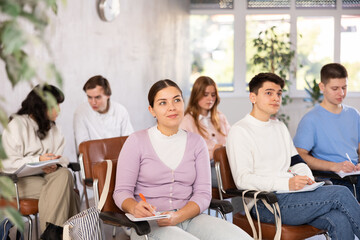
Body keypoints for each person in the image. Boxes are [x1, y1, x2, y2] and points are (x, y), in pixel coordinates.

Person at [226, 72, 360, 239]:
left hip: (292, 196)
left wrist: (305, 177)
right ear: (253, 97)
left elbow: (296, 161)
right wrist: (287, 183)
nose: (276, 98)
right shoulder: (240, 131)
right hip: (266, 203)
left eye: (279, 93)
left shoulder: (279, 127)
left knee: (339, 219)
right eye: (269, 93)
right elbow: (242, 179)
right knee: (340, 193)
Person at [113, 79, 251, 240]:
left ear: (183, 103)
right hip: (148, 224)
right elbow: (121, 192)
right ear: (152, 110)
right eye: (163, 103)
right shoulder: (136, 141)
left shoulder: (196, 142)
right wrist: (134, 207)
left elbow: (202, 194)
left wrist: (179, 216)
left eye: (177, 100)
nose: (172, 107)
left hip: (190, 218)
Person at [1, 84, 80, 233]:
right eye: (54, 105)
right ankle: (67, 235)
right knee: (67, 190)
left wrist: (53, 165)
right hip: (15, 182)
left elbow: (62, 158)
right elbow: (7, 164)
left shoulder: (54, 128)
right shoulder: (17, 125)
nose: (59, 110)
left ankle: (53, 235)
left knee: (63, 174)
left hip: (44, 178)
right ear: (40, 106)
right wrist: (38, 160)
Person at [293, 63, 360, 201]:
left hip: (356, 175)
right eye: (335, 88)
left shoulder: (354, 114)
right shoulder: (311, 119)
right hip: (333, 180)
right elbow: (299, 156)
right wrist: (335, 166)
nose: (341, 93)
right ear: (322, 87)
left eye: (344, 87)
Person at [73, 75, 134, 151]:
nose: (93, 102)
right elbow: (82, 147)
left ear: (108, 95)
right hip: (93, 160)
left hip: (119, 158)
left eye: (97, 97)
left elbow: (129, 141)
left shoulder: (121, 111)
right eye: (89, 97)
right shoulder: (80, 112)